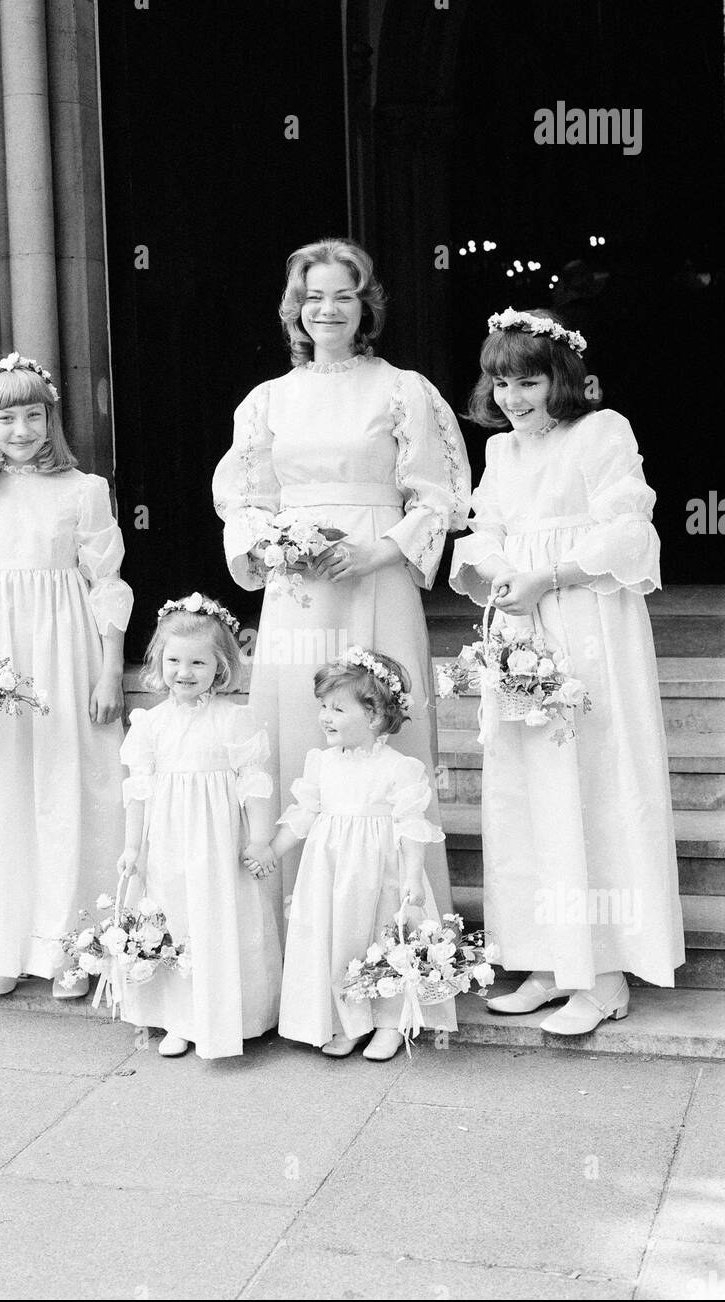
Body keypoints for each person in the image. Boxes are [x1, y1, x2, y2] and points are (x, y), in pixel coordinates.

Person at [212, 237, 470, 916]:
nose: (327, 309)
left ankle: (393, 931)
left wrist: (378, 551)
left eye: (343, 296)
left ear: (366, 306)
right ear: (295, 308)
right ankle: (295, 932)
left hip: (376, 583)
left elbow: (438, 496)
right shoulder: (268, 400)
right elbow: (244, 499)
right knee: (299, 727)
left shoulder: (402, 390)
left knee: (385, 731)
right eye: (313, 296)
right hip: (299, 595)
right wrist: (277, 545)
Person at [450, 308, 684, 1034]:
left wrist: (547, 575)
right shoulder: (502, 455)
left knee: (592, 782)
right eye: (502, 382)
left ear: (563, 379)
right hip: (522, 625)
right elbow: (484, 532)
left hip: (586, 622)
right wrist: (499, 576)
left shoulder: (600, 432)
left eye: (531, 381)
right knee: (528, 791)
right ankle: (550, 960)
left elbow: (629, 527)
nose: (515, 397)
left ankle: (604, 975)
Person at [0, 352, 133, 997]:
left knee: (68, 785)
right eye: (5, 417)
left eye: (32, 415)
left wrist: (109, 672)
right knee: (4, 787)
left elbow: (105, 581)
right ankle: (2, 943)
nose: (20, 429)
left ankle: (73, 944)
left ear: (51, 419)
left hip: (65, 652)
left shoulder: (83, 490)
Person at [255, 649, 456, 1063]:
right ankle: (348, 1022)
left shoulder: (400, 768)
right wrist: (271, 852)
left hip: (379, 873)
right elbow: (303, 815)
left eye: (338, 708)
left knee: (381, 940)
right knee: (338, 943)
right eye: (323, 707)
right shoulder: (322, 763)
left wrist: (414, 877)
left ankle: (388, 1023)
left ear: (376, 716)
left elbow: (411, 827)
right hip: (329, 874)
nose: (325, 716)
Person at [115, 594, 282, 1058]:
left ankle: (231, 1013)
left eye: (197, 662)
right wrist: (133, 847)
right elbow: (139, 790)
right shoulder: (150, 724)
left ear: (221, 666)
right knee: (176, 919)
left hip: (219, 843)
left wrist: (260, 838)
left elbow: (254, 785)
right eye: (173, 660)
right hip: (168, 843)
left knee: (221, 917)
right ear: (158, 661)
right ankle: (179, 1016)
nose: (183, 672)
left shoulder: (234, 720)